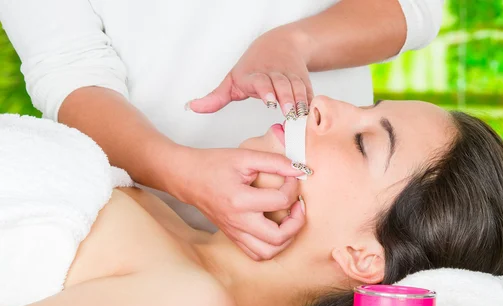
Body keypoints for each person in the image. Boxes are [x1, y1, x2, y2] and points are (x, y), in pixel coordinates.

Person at [0, 96, 503, 306]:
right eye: (365, 107)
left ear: (363, 257)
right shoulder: (171, 213)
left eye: (363, 141)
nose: (323, 105)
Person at [0, 0, 444, 261]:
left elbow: (415, 7)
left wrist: (294, 42)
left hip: (317, 257)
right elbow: (68, 69)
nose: (322, 107)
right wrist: (179, 171)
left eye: (367, 141)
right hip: (146, 232)